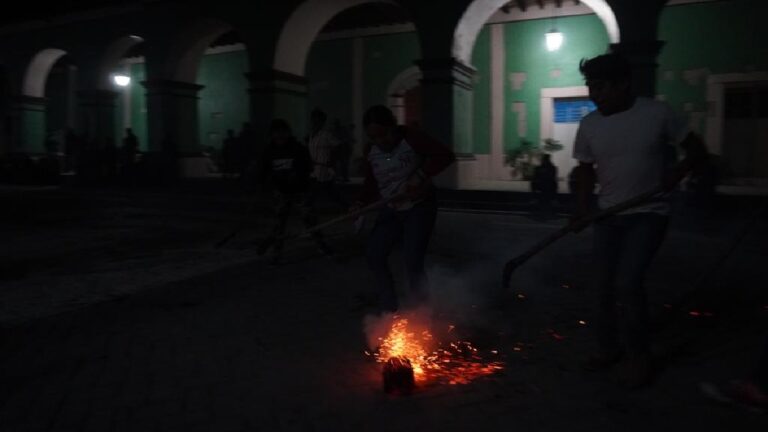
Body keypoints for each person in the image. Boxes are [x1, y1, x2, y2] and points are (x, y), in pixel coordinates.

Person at [571, 53, 707, 388]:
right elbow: (586, 169)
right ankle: (608, 349)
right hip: (608, 216)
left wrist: (678, 170)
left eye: (600, 87)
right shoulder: (589, 125)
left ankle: (639, 357)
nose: (593, 94)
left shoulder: (657, 113)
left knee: (628, 284)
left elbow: (697, 150)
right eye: (590, 86)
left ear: (623, 84)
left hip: (649, 214)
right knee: (601, 286)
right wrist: (583, 208)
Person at [352, 105, 456, 312]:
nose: (381, 142)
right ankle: (389, 309)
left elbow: (445, 155)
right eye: (374, 137)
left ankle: (422, 314)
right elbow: (372, 182)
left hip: (419, 208)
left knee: (412, 260)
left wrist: (420, 176)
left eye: (383, 135)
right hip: (391, 208)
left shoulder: (412, 139)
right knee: (374, 253)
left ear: (392, 127)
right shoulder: (371, 152)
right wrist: (359, 203)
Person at [262, 119, 332, 264]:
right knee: (279, 223)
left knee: (309, 219)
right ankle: (277, 252)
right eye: (276, 134)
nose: (280, 137)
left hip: (300, 191)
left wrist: (297, 174)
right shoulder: (269, 151)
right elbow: (263, 169)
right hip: (281, 192)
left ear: (288, 133)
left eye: (282, 133)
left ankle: (321, 245)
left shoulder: (298, 148)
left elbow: (307, 167)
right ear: (272, 135)